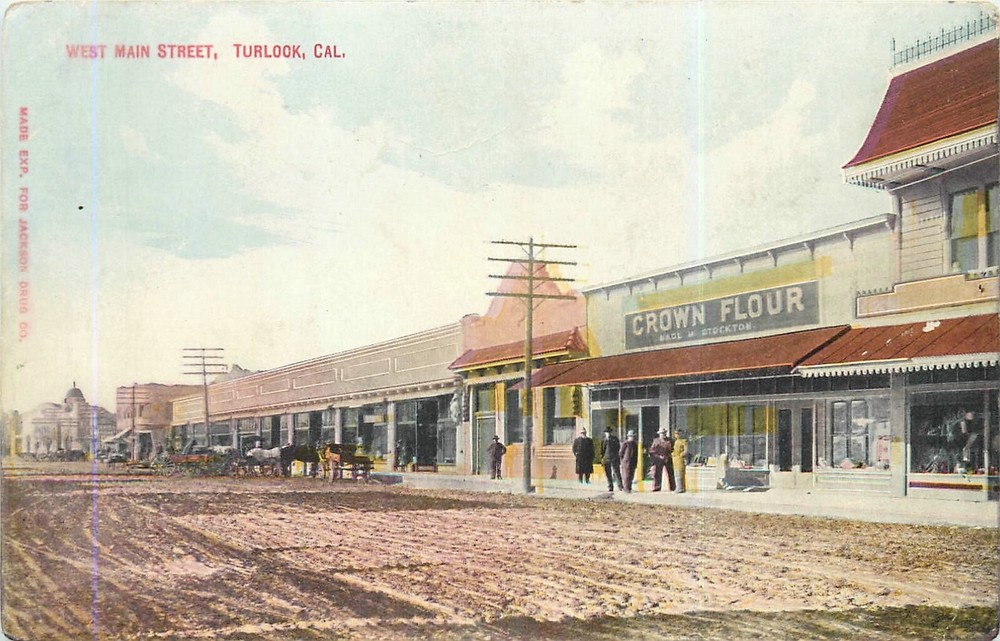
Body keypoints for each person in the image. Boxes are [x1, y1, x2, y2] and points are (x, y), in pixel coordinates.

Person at [601, 427, 623, 492]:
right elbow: (602, 450)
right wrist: (602, 458)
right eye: (607, 433)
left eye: (609, 432)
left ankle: (620, 486)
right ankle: (610, 486)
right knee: (608, 473)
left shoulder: (615, 439)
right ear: (605, 433)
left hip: (614, 458)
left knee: (617, 472)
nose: (608, 434)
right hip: (606, 459)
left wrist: (616, 455)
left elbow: (618, 447)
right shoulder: (603, 440)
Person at [672, 429, 688, 493]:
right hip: (675, 459)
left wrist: (681, 455)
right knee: (676, 473)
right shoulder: (676, 441)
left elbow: (686, 450)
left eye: (678, 433)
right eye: (676, 434)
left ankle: (681, 488)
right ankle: (678, 487)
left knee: (680, 474)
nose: (677, 435)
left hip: (680, 459)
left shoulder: (684, 441)